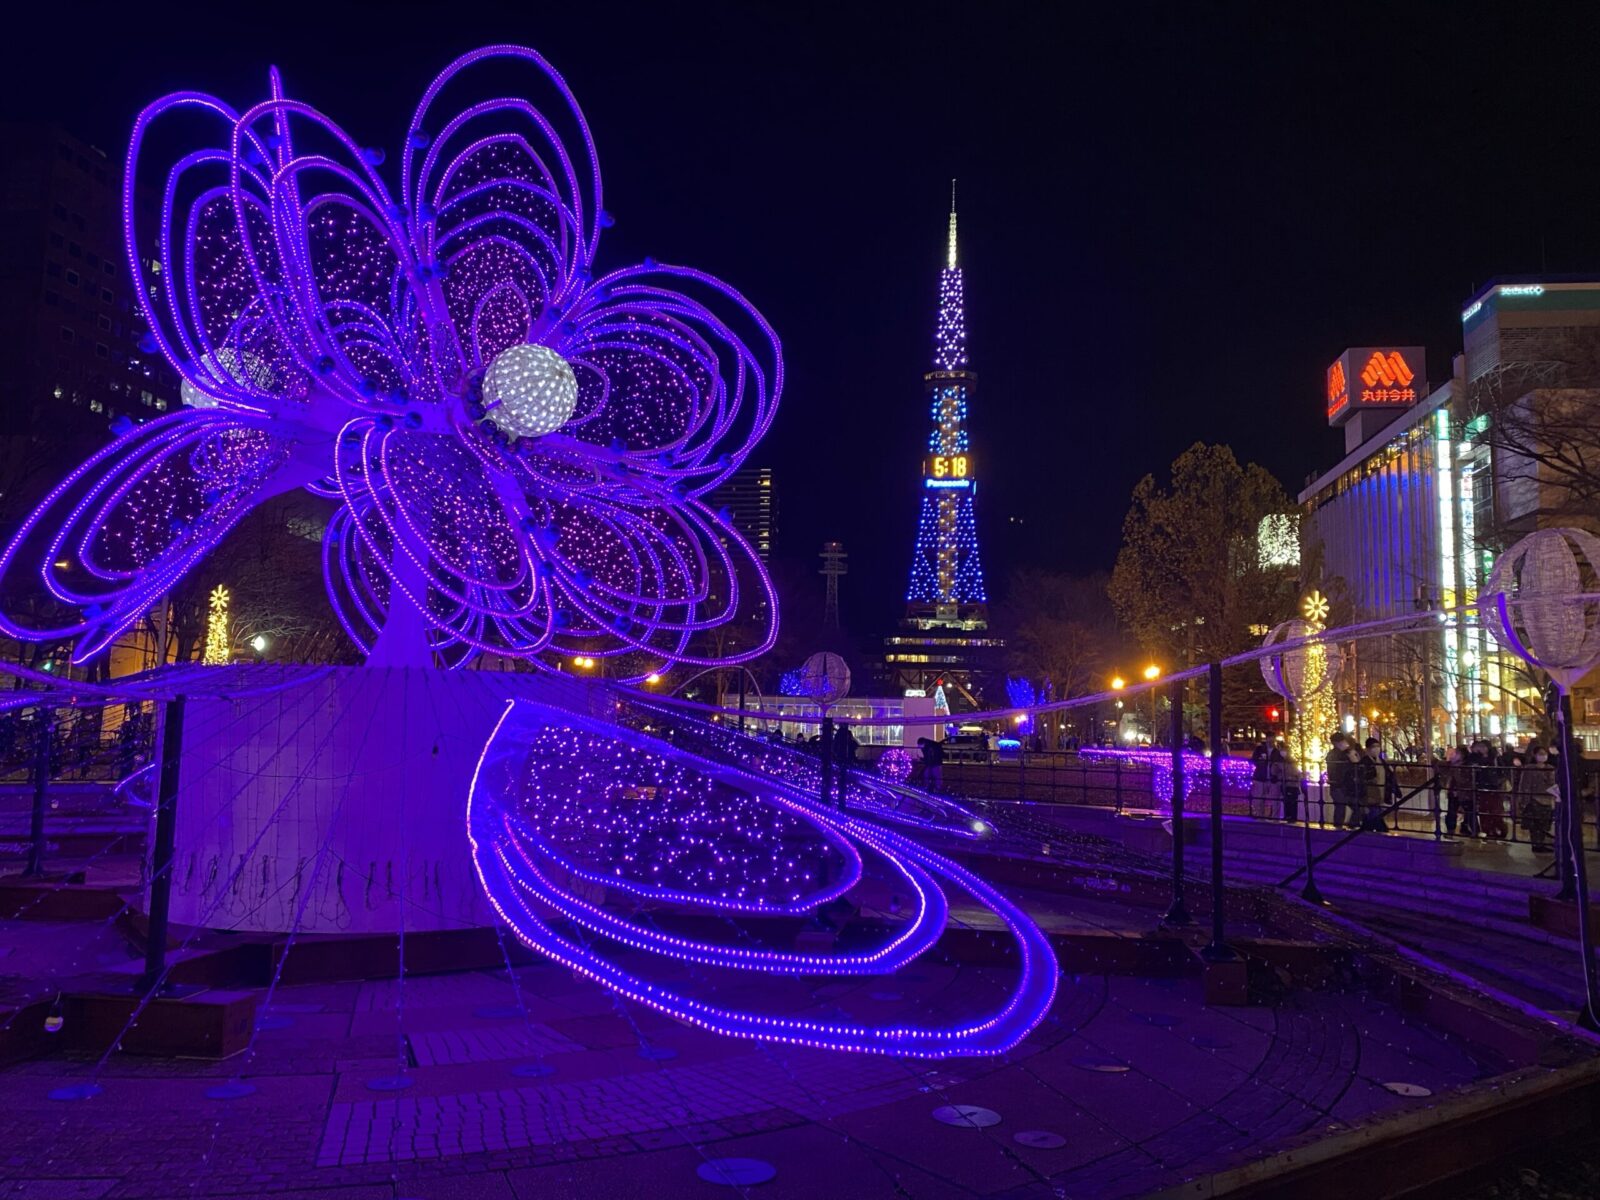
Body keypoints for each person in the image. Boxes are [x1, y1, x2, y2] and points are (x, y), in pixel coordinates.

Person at [1515, 742, 1556, 852]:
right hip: (1535, 799)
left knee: (1545, 822)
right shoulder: (1530, 768)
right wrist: (1524, 799)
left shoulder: (1550, 768)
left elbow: (1553, 784)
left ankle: (1541, 843)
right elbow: (1525, 784)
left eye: (1544, 753)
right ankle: (1537, 844)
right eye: (1540, 754)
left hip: (1547, 799)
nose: (1543, 756)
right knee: (1536, 824)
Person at [1473, 739, 1509, 839]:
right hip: (1482, 787)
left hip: (1494, 787)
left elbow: (1503, 772)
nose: (1482, 749)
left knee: (1495, 810)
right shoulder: (1477, 758)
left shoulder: (1495, 758)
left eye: (1484, 747)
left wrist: (1498, 781)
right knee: (1484, 810)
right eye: (1480, 747)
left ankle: (1499, 829)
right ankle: (1488, 830)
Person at [1326, 734, 1357, 829]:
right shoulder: (1337, 755)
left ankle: (1345, 825)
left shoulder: (1342, 753)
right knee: (1341, 806)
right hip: (1339, 785)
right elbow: (1340, 770)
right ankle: (1340, 826)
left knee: (1348, 805)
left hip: (1343, 785)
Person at [1359, 737, 1389, 832]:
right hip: (1370, 794)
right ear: (1368, 749)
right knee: (1374, 814)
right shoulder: (1365, 762)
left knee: (1371, 816)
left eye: (1378, 746)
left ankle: (1366, 829)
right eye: (1373, 747)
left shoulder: (1381, 761)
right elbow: (1362, 777)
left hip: (1380, 792)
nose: (1376, 749)